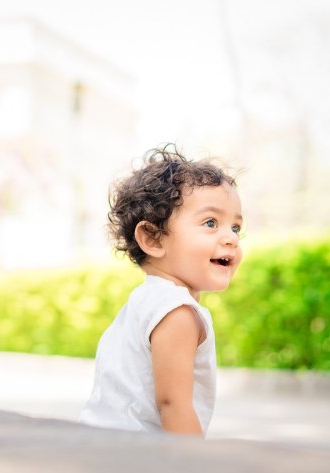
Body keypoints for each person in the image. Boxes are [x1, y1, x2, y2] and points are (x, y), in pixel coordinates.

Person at [79, 144, 243, 437]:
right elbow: (173, 406)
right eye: (210, 222)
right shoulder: (176, 312)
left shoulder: (144, 301)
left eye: (236, 227)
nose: (230, 238)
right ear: (153, 239)